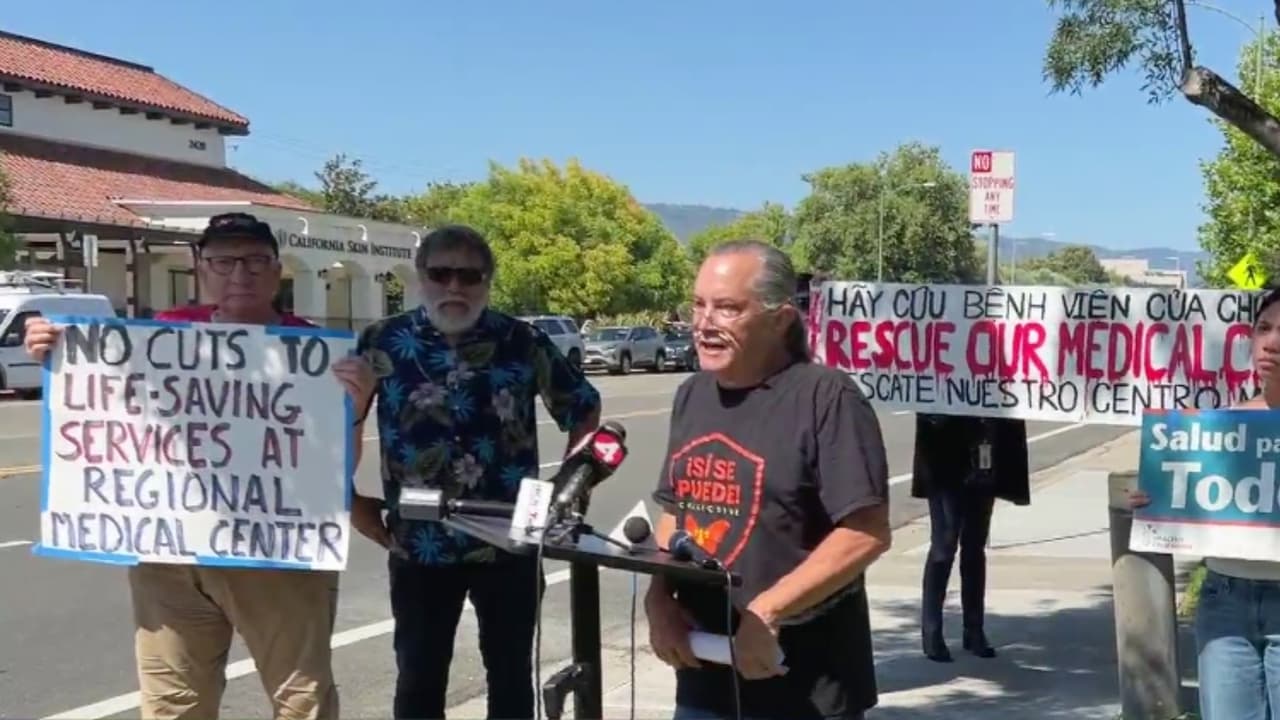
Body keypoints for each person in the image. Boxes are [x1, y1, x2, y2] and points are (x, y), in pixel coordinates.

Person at [24, 212, 371, 720]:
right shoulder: (163, 334)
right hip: (170, 554)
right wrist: (56, 350)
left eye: (255, 261)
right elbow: (102, 409)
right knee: (173, 704)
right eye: (223, 261)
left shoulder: (318, 354)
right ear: (201, 269)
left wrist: (355, 409)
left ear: (277, 272)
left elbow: (339, 469)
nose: (240, 273)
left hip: (276, 553)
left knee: (302, 701)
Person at [345, 224, 602, 720]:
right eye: (441, 274)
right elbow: (341, 421)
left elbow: (584, 410)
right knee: (418, 681)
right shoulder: (382, 341)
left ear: (488, 280)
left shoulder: (522, 341)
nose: (454, 286)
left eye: (469, 276)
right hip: (419, 545)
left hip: (509, 543)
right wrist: (350, 502)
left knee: (510, 680)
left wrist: (566, 492)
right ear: (420, 277)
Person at [645, 240, 892, 720]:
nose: (704, 323)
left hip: (802, 685)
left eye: (727, 308)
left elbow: (866, 533)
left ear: (779, 320)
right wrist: (660, 598)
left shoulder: (827, 397)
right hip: (703, 676)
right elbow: (675, 513)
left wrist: (768, 610)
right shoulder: (692, 395)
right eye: (698, 305)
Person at [1129, 285, 1280, 720]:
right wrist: (1155, 498)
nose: (1271, 342)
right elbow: (1190, 501)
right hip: (1224, 602)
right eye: (1263, 328)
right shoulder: (1218, 427)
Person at [912, 414, 1030, 662]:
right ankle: (932, 632)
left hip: (985, 453)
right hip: (945, 454)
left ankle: (974, 630)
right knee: (944, 546)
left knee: (975, 546)